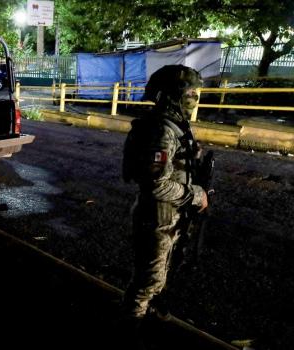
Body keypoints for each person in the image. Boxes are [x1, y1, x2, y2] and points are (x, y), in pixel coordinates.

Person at [120, 65, 208, 340]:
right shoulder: (161, 129)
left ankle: (151, 318)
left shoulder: (175, 124)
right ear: (172, 95)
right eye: (190, 92)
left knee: (162, 274)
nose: (195, 98)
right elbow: (156, 182)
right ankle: (129, 329)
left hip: (171, 213)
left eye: (196, 92)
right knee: (148, 281)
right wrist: (196, 195)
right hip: (158, 216)